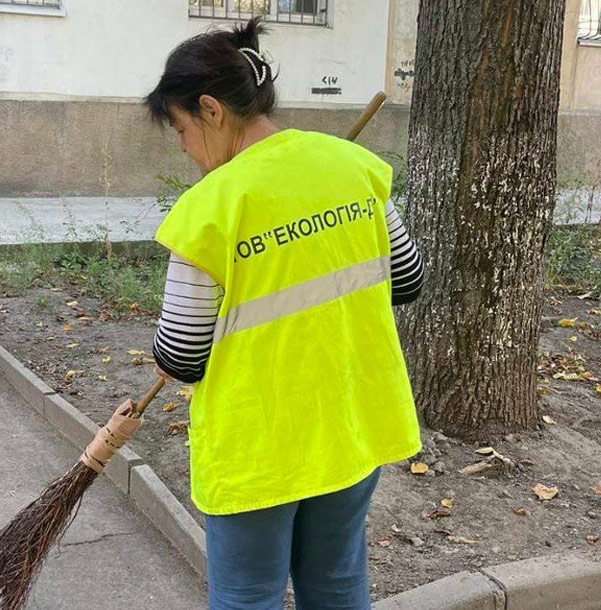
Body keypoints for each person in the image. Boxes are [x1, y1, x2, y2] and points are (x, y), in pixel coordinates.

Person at [146, 19, 424, 610]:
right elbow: (407, 279)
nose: (184, 147)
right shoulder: (354, 167)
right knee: (337, 584)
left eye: (181, 129)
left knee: (248, 595)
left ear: (212, 110)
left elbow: (182, 354)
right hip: (351, 422)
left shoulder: (210, 210)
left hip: (259, 446)